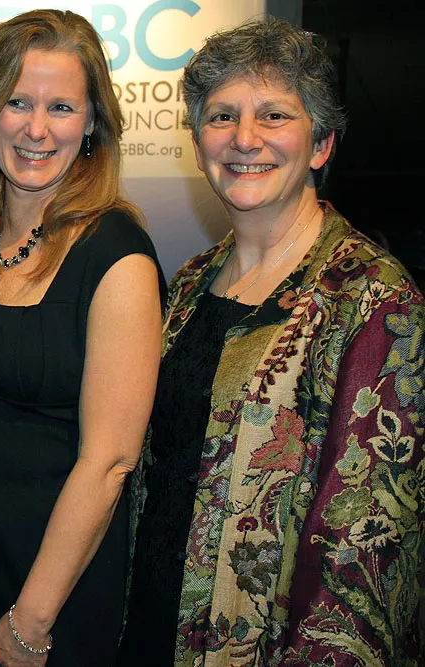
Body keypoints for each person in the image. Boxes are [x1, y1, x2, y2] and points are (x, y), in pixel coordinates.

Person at [119, 17, 424, 665]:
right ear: (198, 142)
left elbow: (366, 552)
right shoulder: (189, 284)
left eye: (274, 115)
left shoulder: (373, 299)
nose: (244, 138)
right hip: (147, 630)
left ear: (321, 144)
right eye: (222, 116)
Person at [0, 10, 164, 666]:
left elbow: (110, 461)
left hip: (52, 592)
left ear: (91, 123)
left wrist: (31, 619)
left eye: (61, 107)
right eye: (17, 102)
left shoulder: (118, 255)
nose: (36, 129)